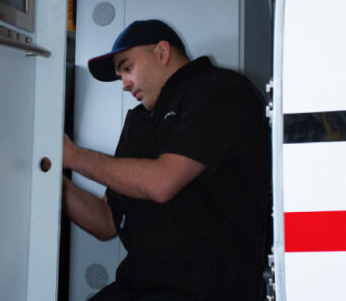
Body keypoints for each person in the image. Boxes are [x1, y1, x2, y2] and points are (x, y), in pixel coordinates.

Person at [63, 20, 271, 301]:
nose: (124, 84)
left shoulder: (220, 90)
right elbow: (106, 221)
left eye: (127, 67)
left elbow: (163, 182)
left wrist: (75, 157)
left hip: (210, 289)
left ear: (162, 52)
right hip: (140, 285)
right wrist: (50, 172)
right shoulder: (139, 122)